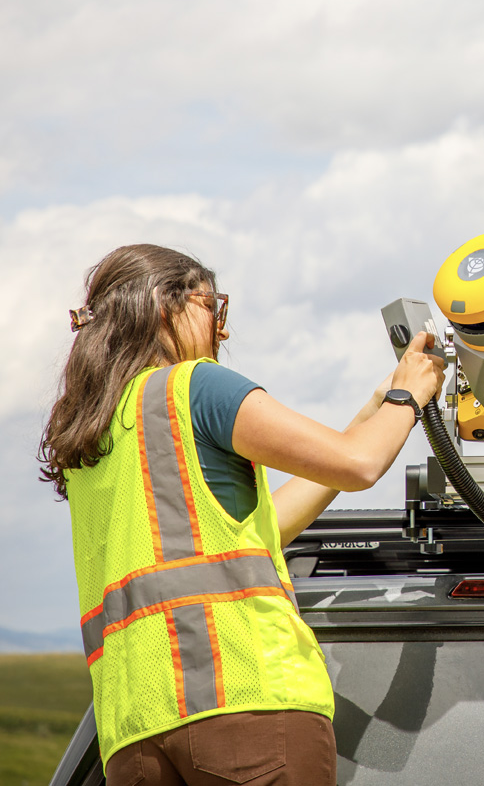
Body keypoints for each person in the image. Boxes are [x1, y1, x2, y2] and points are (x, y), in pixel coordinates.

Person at [40, 244, 445, 786]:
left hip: (135, 730)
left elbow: (255, 532)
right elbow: (360, 464)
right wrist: (410, 396)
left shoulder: (93, 434)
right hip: (246, 700)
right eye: (213, 307)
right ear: (168, 307)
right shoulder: (197, 386)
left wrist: (376, 409)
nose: (220, 332)